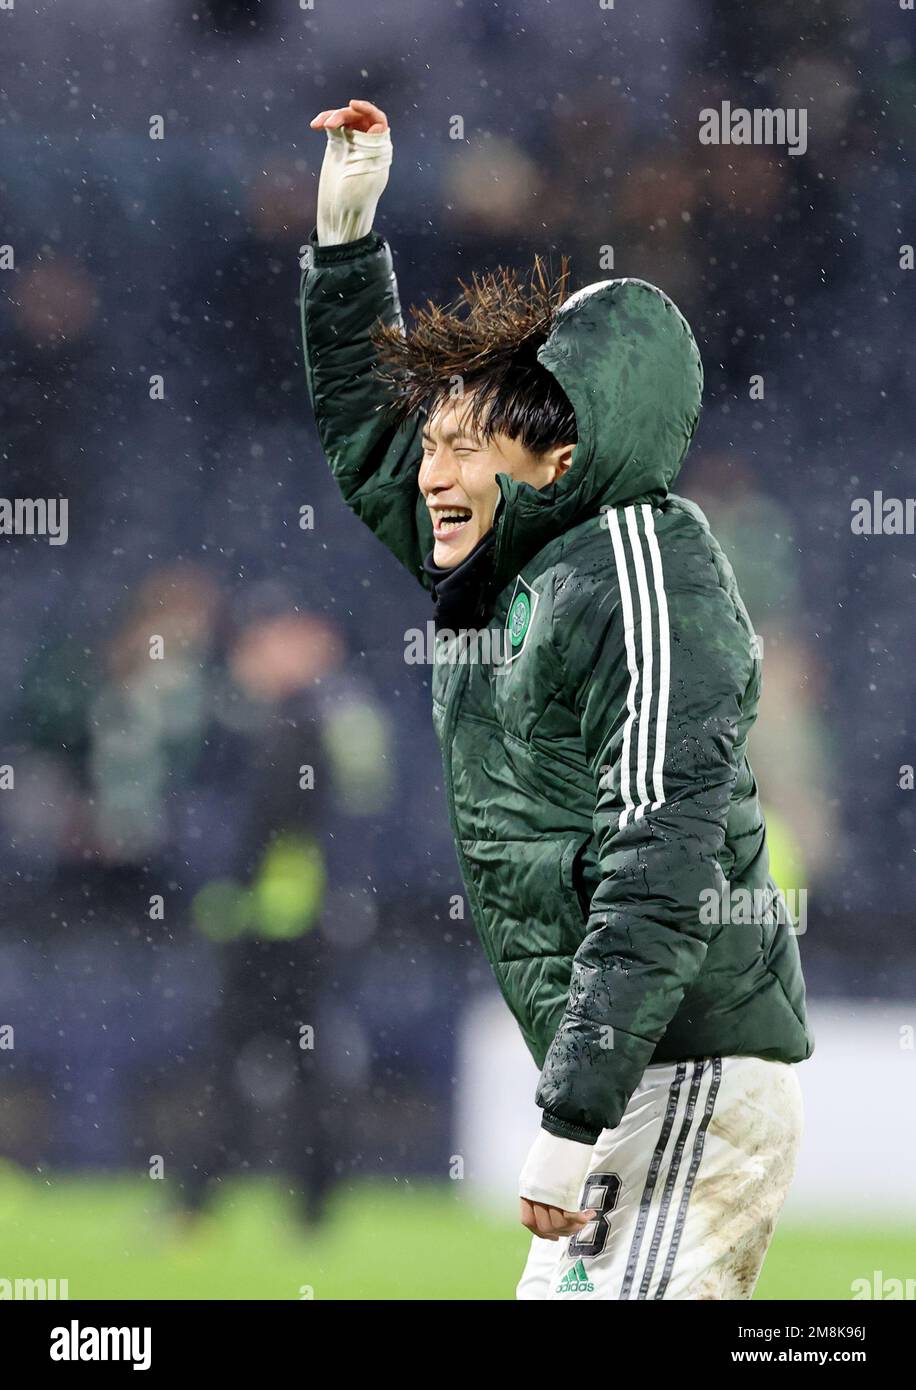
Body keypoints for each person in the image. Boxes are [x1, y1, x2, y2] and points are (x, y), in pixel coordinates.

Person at [300, 99, 812, 1300]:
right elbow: (372, 455)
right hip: (637, 1074)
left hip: (680, 1073)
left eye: (464, 444)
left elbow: (660, 850)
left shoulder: (642, 568)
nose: (431, 472)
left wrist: (574, 1108)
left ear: (561, 452)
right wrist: (346, 239)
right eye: (430, 442)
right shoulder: (521, 564)